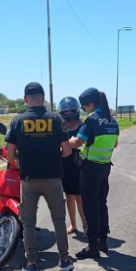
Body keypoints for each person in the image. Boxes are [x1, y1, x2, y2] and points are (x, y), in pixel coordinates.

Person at [5, 82, 74, 271]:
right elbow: (67, 151)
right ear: (43, 98)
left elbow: (10, 154)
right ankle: (64, 260)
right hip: (53, 179)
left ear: (26, 99)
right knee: (59, 220)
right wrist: (52, 157)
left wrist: (23, 158)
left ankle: (32, 264)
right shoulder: (56, 119)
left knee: (28, 222)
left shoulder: (17, 121)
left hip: (29, 179)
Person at [69, 87, 120, 260]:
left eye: (84, 107)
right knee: (101, 204)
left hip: (90, 169)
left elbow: (77, 143)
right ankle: (103, 241)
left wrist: (68, 140)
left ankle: (92, 246)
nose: (84, 110)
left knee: (89, 207)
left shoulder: (91, 120)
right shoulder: (112, 120)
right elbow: (114, 145)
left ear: (91, 104)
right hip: (105, 167)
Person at [58, 96, 87, 236]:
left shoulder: (83, 127)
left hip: (80, 165)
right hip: (65, 166)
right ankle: (73, 225)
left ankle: (85, 224)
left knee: (80, 197)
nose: (69, 113)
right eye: (66, 111)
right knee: (69, 196)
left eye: (71, 111)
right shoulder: (61, 128)